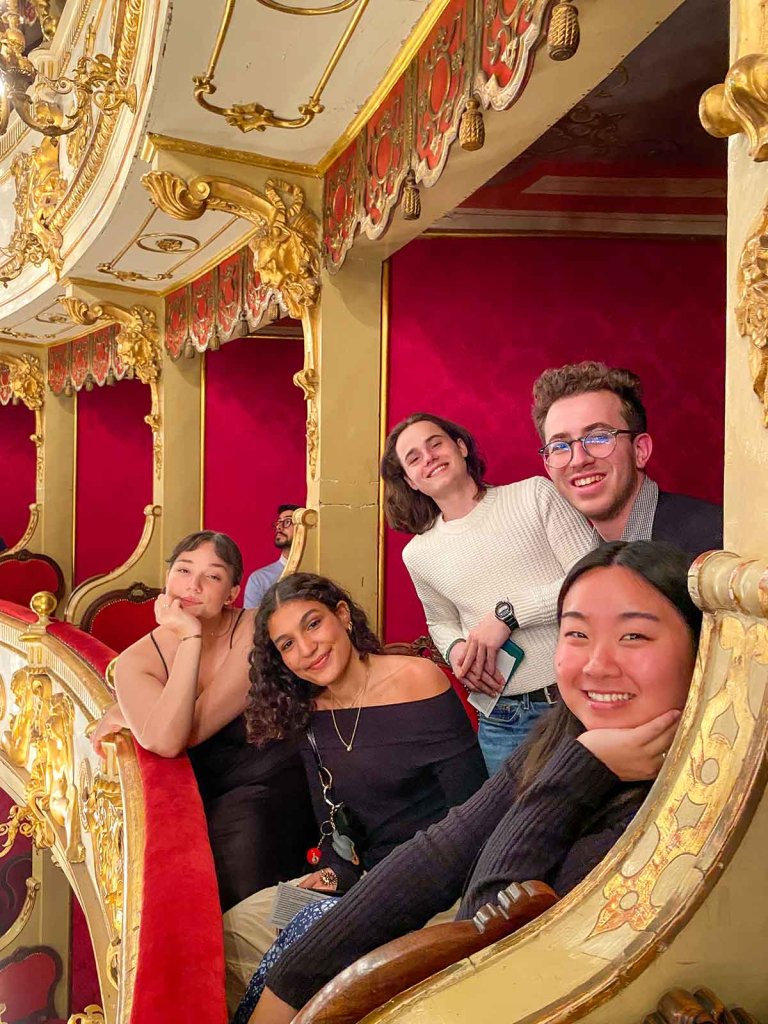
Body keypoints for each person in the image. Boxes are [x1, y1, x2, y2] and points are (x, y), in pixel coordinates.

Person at [237, 540, 701, 1024]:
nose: (597, 665)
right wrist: (292, 975)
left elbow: (484, 928)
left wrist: (582, 768)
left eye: (634, 637)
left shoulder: (668, 796)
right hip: (384, 884)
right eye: (577, 635)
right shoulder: (566, 733)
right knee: (247, 926)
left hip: (462, 947)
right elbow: (444, 844)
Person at [223, 571, 488, 1015]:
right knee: (235, 927)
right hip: (358, 883)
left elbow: (473, 814)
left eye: (312, 624)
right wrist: (332, 875)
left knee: (313, 957)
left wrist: (379, 891)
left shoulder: (417, 679)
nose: (306, 649)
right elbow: (334, 828)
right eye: (287, 644)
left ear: (342, 616)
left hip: (441, 885)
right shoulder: (308, 712)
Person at [90, 530, 315, 912]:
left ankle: (295, 945)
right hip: (211, 792)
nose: (192, 586)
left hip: (284, 782)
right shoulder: (135, 660)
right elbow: (164, 739)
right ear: (167, 579)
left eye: (212, 576)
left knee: (258, 876)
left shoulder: (256, 628)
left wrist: (187, 642)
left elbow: (189, 730)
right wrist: (139, 705)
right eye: (183, 570)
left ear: (231, 593)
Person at [381, 413, 594, 773]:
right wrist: (456, 648)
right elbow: (440, 621)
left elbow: (594, 580)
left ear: (461, 447)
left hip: (576, 700)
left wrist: (507, 616)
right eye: (414, 458)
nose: (428, 457)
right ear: (410, 481)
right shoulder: (417, 554)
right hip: (502, 720)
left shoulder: (534, 494)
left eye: (436, 444)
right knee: (519, 829)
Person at [532, 361, 723, 558]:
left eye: (599, 437)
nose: (578, 460)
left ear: (640, 450)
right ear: (548, 467)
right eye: (560, 447)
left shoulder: (713, 542)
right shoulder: (583, 563)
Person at [244, 505, 301, 609]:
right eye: (279, 522)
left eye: (287, 522)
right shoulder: (259, 579)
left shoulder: (317, 571)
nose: (279, 527)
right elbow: (251, 623)